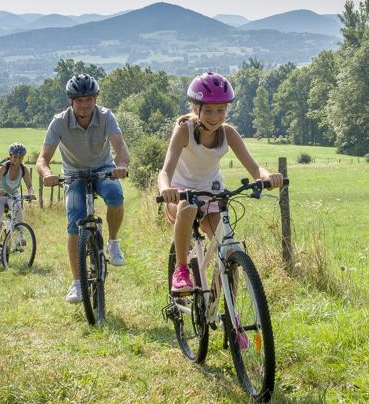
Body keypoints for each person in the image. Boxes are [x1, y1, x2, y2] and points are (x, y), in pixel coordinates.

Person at [157, 72, 283, 293]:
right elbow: (165, 171)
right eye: (208, 110)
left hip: (212, 196)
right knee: (188, 207)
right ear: (196, 108)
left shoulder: (228, 133)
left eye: (221, 110)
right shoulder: (184, 130)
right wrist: (166, 190)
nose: (215, 117)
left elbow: (254, 168)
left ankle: (229, 318)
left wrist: (267, 177)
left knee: (227, 245)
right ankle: (182, 269)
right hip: (180, 196)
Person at [35, 73, 130, 304]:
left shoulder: (107, 117)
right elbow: (42, 159)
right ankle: (77, 283)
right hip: (74, 174)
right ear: (71, 101)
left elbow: (121, 149)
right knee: (74, 222)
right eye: (79, 100)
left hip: (103, 169)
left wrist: (122, 166)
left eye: (89, 99)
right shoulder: (59, 122)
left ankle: (113, 242)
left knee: (116, 196)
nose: (85, 105)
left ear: (96, 99)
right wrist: (47, 174)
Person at [0, 141, 34, 267]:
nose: (17, 160)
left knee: (18, 206)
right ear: (10, 156)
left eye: (20, 157)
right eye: (15, 157)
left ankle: (20, 234)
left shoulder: (24, 170)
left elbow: (29, 185)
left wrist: (31, 193)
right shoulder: (4, 167)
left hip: (12, 194)